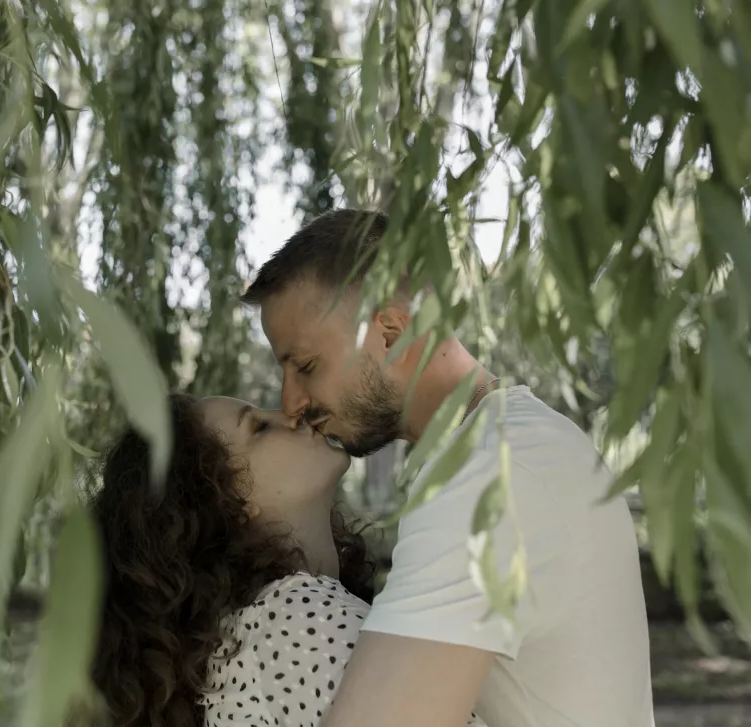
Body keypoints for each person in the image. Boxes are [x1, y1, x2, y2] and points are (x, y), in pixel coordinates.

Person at [239, 208, 655, 727]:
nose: (290, 401)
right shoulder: (523, 442)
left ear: (389, 329)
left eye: (305, 366)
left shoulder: (485, 477)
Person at [89, 392, 377, 727]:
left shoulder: (244, 638)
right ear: (230, 501)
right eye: (259, 428)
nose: (292, 413)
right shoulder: (292, 620)